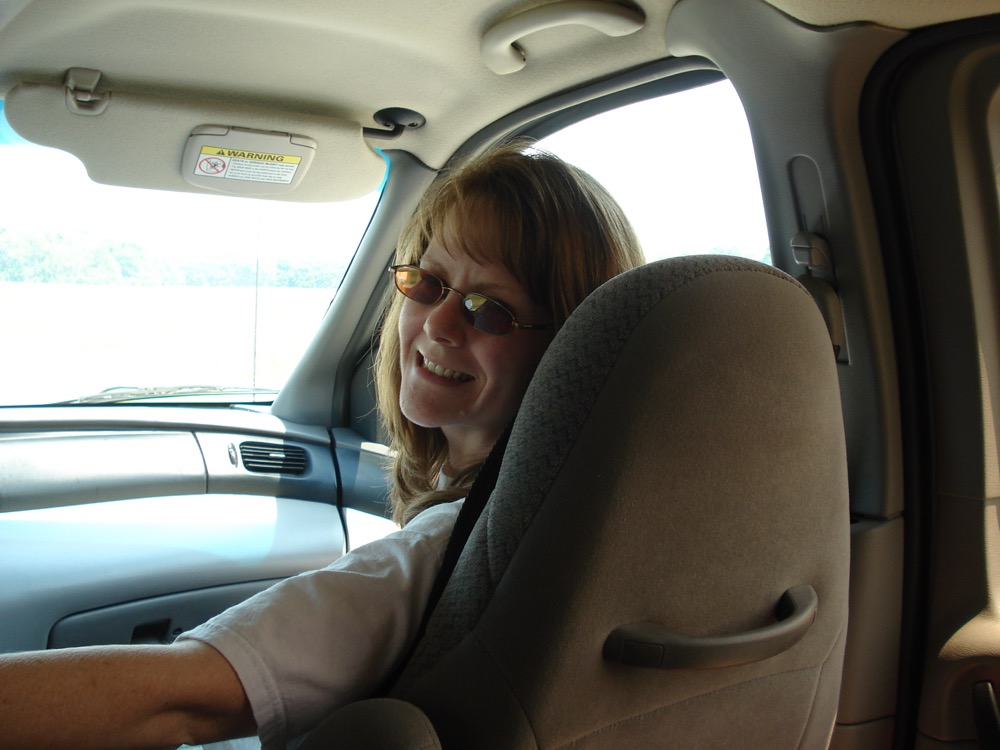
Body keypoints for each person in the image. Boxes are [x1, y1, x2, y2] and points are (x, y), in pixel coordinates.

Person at [0, 140, 645, 749]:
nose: (438, 323)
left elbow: (180, 699)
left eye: (487, 309)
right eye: (427, 282)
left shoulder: (448, 551)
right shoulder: (610, 536)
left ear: (571, 349)